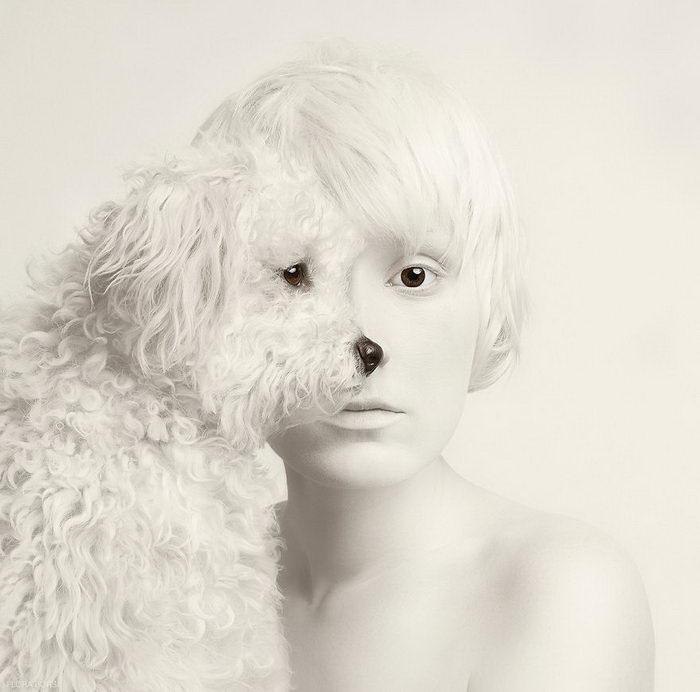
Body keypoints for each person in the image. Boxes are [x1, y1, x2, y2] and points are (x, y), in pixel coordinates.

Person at [194, 39, 655, 691]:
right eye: (295, 275)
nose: (361, 341)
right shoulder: (183, 582)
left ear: (487, 306)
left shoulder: (563, 594)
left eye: (414, 276)